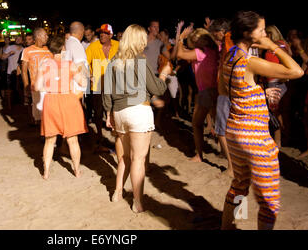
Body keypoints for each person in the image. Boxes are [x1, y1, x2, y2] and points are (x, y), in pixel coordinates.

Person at [220, 11, 303, 230]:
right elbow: (297, 71)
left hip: (234, 131)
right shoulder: (250, 61)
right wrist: (274, 46)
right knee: (269, 201)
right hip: (254, 137)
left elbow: (229, 89)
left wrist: (254, 93)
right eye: (261, 30)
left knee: (240, 185)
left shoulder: (230, 55)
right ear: (248, 33)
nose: (265, 34)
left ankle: (231, 225)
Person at [103, 24, 169, 212]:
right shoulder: (139, 61)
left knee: (123, 157)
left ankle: (117, 193)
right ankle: (137, 202)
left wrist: (108, 113)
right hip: (138, 110)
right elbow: (157, 88)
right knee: (138, 159)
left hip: (119, 112)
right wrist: (164, 74)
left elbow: (107, 91)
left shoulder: (113, 62)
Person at [35, 35, 88, 179]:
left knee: (50, 140)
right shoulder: (70, 64)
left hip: (51, 100)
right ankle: (77, 171)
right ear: (63, 48)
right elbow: (83, 83)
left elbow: (37, 86)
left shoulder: (44, 64)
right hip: (68, 100)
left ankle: (46, 172)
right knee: (73, 140)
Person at [176, 27, 219, 163]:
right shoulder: (214, 50)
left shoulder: (200, 52)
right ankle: (224, 152)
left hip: (206, 91)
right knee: (219, 125)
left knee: (196, 123)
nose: (193, 44)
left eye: (194, 41)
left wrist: (180, 38)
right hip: (217, 90)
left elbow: (180, 54)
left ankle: (199, 155)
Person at [86, 24, 119, 152]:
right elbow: (84, 62)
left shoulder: (118, 45)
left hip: (115, 85)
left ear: (111, 35)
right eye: (100, 32)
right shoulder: (93, 46)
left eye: (105, 33)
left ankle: (116, 138)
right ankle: (99, 136)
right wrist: (89, 75)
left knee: (115, 112)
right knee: (98, 112)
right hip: (98, 85)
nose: (102, 35)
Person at [208, 18, 234, 176]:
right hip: (231, 88)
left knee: (221, 129)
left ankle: (231, 167)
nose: (214, 37)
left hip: (227, 89)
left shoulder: (229, 38)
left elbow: (232, 61)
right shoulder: (233, 39)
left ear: (220, 32)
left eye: (214, 34)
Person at [21, 28, 53, 125]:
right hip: (36, 87)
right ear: (38, 36)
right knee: (38, 115)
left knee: (49, 113)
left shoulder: (49, 50)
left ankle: (47, 135)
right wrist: (26, 87)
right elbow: (24, 71)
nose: (47, 37)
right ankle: (42, 135)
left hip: (50, 87)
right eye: (45, 35)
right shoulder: (27, 51)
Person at [0, 36, 23, 109]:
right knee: (11, 89)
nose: (18, 40)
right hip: (10, 71)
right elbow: (2, 57)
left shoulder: (23, 49)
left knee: (20, 89)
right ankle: (11, 105)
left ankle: (20, 105)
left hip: (20, 72)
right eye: (17, 39)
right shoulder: (10, 47)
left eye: (20, 39)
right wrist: (9, 53)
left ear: (22, 40)